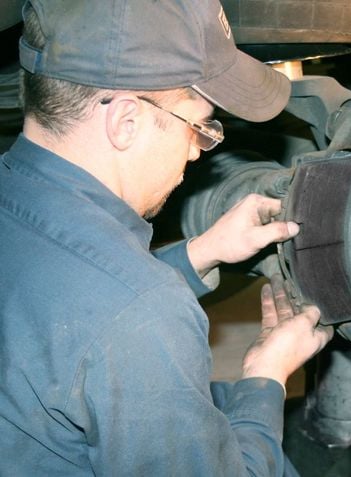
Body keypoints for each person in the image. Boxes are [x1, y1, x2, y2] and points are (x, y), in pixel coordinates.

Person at [0, 0, 333, 475]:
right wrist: (266, 377)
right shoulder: (144, 314)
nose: (198, 154)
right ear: (125, 122)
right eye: (199, 126)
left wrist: (201, 253)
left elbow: (71, 307)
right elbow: (122, 314)